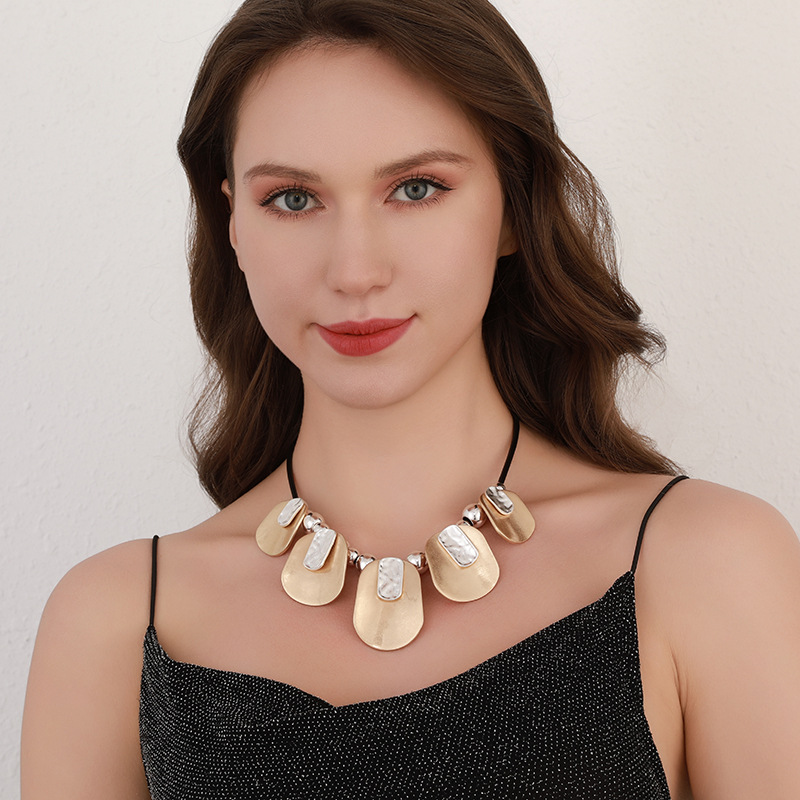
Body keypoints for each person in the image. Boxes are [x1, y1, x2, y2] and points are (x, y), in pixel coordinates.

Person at [20, 0, 800, 797]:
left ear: (513, 206)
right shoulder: (113, 624)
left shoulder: (706, 563)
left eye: (417, 188)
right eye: (293, 199)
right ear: (233, 225)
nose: (355, 271)